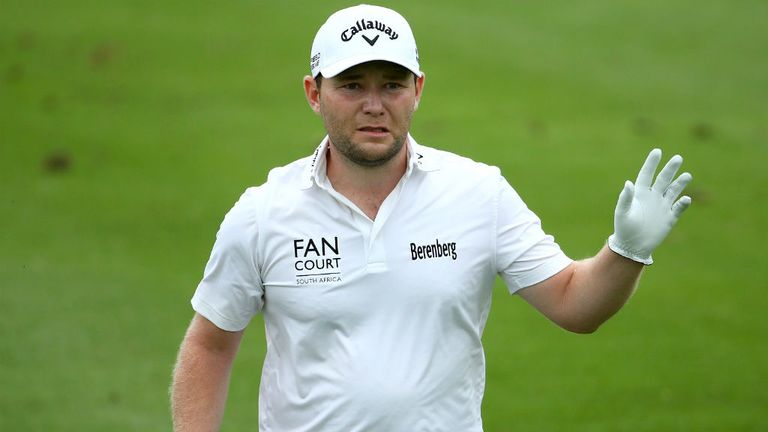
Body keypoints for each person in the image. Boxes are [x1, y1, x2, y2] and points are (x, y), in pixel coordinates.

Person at [170, 4, 692, 431]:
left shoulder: (478, 193)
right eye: (352, 86)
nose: (374, 104)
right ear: (314, 92)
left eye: (392, 85)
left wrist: (626, 251)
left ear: (417, 89)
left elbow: (574, 304)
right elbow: (210, 343)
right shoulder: (265, 213)